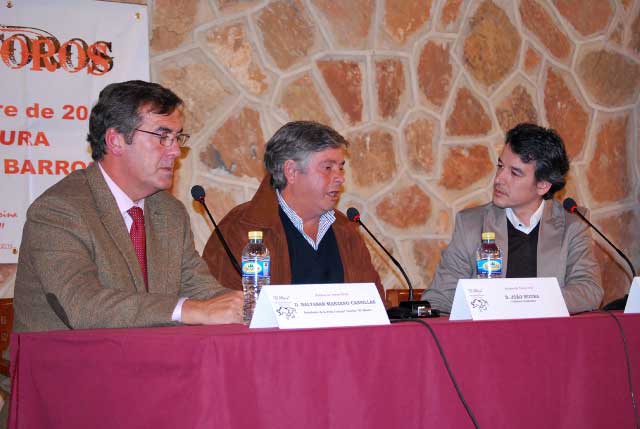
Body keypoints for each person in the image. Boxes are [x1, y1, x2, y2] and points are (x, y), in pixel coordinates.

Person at [13, 80, 243, 333]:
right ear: (116, 141)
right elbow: (81, 306)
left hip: (145, 361)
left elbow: (203, 291)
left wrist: (255, 308)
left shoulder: (169, 212)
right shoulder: (59, 210)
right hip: (68, 366)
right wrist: (190, 310)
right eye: (163, 137)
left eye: (177, 138)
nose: (176, 151)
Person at [422, 123, 603, 314]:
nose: (499, 178)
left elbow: (589, 289)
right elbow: (440, 298)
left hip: (548, 339)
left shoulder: (572, 225)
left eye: (515, 173)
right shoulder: (471, 224)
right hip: (487, 339)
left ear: (542, 185)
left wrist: (524, 302)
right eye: (500, 166)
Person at [202, 121, 384, 301]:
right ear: (291, 171)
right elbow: (223, 310)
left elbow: (375, 305)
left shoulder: (345, 229)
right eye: (328, 168)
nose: (340, 178)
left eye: (341, 168)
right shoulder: (240, 229)